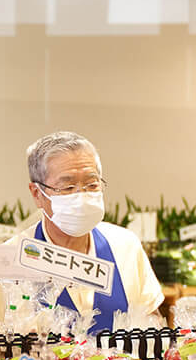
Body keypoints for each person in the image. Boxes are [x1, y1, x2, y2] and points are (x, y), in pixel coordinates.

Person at [11, 131, 163, 334]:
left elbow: (153, 322)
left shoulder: (125, 245)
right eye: (68, 187)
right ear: (38, 194)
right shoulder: (9, 259)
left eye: (91, 184)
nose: (81, 196)